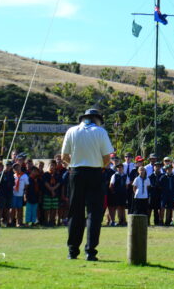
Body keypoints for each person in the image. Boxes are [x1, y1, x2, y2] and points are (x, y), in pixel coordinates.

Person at [62, 108, 114, 261]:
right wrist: (100, 166)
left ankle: (72, 251)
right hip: (95, 173)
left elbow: (64, 156)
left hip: (76, 172)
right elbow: (106, 157)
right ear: (96, 119)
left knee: (75, 212)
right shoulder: (100, 131)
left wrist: (74, 165)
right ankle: (90, 251)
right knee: (94, 213)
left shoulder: (71, 131)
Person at [43, 160, 61, 226]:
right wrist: (51, 190)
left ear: (56, 166)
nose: (52, 166)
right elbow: (45, 183)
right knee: (47, 209)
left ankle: (52, 221)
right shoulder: (45, 174)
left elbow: (59, 183)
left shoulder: (57, 175)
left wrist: (53, 189)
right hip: (47, 193)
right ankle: (46, 221)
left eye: (53, 165)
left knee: (54, 208)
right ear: (48, 166)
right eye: (51, 165)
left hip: (55, 194)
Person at [0, 161, 15, 226]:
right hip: (2, 193)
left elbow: (13, 183)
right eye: (7, 165)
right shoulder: (1, 174)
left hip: (9, 193)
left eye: (9, 165)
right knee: (1, 208)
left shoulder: (12, 174)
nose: (8, 167)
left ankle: (7, 222)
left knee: (8, 208)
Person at [12, 163, 29, 227]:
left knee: (20, 209)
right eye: (15, 168)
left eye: (18, 167)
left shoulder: (24, 176)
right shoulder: (13, 176)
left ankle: (19, 222)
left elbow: (26, 185)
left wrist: (25, 194)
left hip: (20, 194)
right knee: (13, 209)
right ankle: (12, 222)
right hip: (13, 194)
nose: (17, 169)